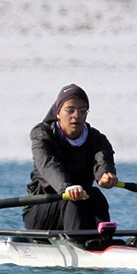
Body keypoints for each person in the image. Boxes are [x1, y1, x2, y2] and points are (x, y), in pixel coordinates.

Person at [23, 83, 118, 242]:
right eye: (70, 110)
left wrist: (106, 176)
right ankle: (78, 245)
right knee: (72, 197)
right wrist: (66, 187)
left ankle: (105, 240)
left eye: (82, 111)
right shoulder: (42, 134)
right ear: (58, 113)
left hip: (78, 207)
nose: (76, 116)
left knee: (95, 195)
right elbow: (48, 164)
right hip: (41, 213)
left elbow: (103, 161)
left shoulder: (96, 139)